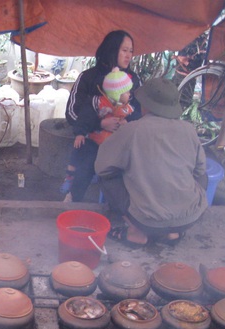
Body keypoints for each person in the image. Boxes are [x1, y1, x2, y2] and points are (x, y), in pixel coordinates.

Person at [95, 77, 209, 248]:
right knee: (202, 176)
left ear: (145, 105)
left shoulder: (132, 130)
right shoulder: (189, 130)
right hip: (190, 217)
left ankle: (136, 234)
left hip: (146, 221)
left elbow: (102, 167)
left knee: (107, 178)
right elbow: (200, 171)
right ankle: (172, 233)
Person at [63, 30, 142, 202]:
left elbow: (140, 110)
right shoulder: (88, 77)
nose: (129, 55)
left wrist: (127, 121)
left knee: (125, 175)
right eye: (124, 50)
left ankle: (118, 210)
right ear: (111, 50)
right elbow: (71, 112)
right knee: (85, 165)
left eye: (131, 51)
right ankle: (73, 199)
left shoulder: (133, 80)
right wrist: (100, 123)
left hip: (121, 140)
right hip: (92, 137)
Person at [61, 68, 135, 200]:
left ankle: (111, 203)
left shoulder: (127, 108)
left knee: (116, 174)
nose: (130, 95)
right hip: (94, 143)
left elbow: (136, 119)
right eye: (127, 92)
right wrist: (80, 133)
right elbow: (84, 118)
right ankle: (74, 197)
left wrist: (127, 122)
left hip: (115, 147)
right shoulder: (97, 103)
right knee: (85, 168)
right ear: (117, 94)